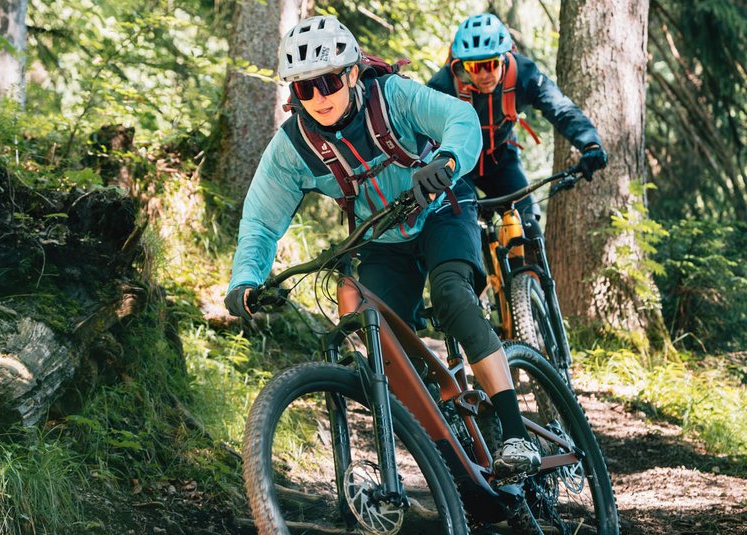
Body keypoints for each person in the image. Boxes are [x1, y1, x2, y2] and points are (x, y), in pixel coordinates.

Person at [224, 15, 540, 477]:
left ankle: (516, 435)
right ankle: (447, 451)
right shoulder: (293, 147)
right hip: (382, 238)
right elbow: (260, 219)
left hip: (443, 207)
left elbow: (460, 118)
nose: (319, 97)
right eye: (305, 88)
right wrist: (246, 280)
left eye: (328, 82)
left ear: (353, 73)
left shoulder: (392, 96)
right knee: (385, 346)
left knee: (453, 297)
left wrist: (447, 161)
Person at [428, 13, 608, 243]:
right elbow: (419, 133)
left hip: (502, 158)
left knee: (529, 224)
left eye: (491, 64)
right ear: (461, 65)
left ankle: (532, 265)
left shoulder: (523, 74)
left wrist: (590, 144)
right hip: (459, 164)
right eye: (474, 67)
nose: (484, 74)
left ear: (504, 58)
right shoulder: (443, 86)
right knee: (464, 226)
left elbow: (561, 108)